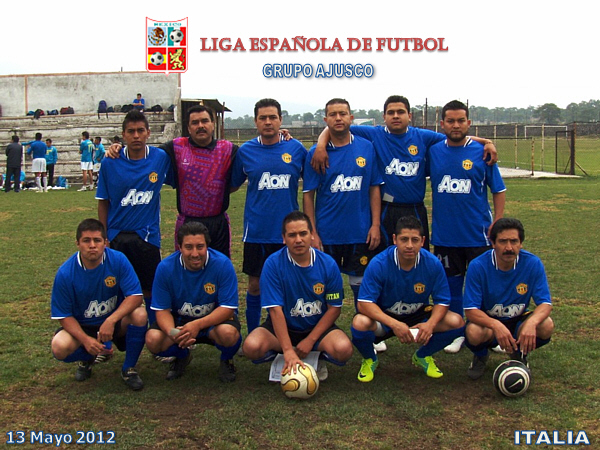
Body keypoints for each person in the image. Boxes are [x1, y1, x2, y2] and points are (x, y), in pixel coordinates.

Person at [310, 95, 498, 251]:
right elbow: (334, 126)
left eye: (400, 112)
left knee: (416, 257)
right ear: (384, 116)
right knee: (385, 260)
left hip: (414, 208)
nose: (396, 116)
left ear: (409, 115)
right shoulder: (374, 134)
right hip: (386, 209)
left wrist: (486, 142)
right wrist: (320, 146)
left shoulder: (423, 136)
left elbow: (455, 135)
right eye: (391, 112)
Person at [106, 105, 238, 257]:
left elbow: (236, 182)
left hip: (218, 223)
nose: (200, 126)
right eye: (195, 122)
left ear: (213, 124)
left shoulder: (228, 149)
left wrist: (215, 191)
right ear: (188, 128)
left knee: (220, 266)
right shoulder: (176, 147)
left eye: (204, 121)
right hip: (187, 222)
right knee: (186, 266)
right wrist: (119, 148)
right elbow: (145, 153)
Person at [428, 100, 506, 353]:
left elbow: (498, 189)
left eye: (461, 120)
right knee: (451, 287)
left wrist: (498, 222)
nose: (456, 125)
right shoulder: (434, 150)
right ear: (442, 124)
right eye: (450, 121)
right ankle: (458, 332)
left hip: (478, 235)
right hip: (445, 236)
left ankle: (489, 331)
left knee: (484, 286)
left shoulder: (482, 153)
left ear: (469, 123)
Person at [351, 216, 465, 381]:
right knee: (360, 322)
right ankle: (369, 359)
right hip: (386, 317)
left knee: (456, 321)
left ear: (422, 241)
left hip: (417, 316)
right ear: (395, 239)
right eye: (404, 239)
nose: (409, 245)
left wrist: (430, 325)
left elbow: (442, 301)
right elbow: (364, 303)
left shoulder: (432, 263)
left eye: (415, 240)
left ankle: (423, 356)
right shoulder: (379, 263)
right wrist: (395, 324)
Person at [242, 211, 353, 379]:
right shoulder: (273, 264)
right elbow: (275, 310)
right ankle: (286, 355)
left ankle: (315, 356)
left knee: (343, 349)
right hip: (283, 327)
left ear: (312, 235)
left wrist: (310, 340)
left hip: (315, 327)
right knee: (252, 347)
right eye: (292, 235)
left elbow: (334, 308)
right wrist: (287, 350)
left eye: (303, 233)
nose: (298, 240)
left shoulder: (328, 264)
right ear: (284, 238)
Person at [231, 98, 307, 334]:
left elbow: (313, 183)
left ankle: (289, 333)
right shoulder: (245, 151)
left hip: (290, 233)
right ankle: (255, 334)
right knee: (255, 285)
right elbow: (232, 185)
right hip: (257, 232)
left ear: (280, 120)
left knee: (290, 285)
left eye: (272, 117)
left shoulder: (296, 149)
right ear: (255, 121)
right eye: (262, 118)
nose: (268, 122)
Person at [96, 110, 174, 326]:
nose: (136, 135)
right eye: (131, 131)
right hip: (116, 236)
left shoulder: (160, 158)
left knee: (150, 288)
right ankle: (114, 334)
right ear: (123, 135)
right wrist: (103, 236)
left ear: (148, 132)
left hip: (146, 236)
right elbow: (103, 201)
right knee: (115, 289)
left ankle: (154, 332)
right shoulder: (110, 162)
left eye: (140, 130)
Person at [50, 219, 147, 390]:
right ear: (77, 243)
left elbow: (136, 296)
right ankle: (87, 358)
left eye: (97, 240)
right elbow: (63, 316)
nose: (92, 246)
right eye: (86, 241)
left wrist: (111, 320)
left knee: (140, 315)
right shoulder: (65, 273)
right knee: (59, 346)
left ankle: (129, 369)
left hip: (113, 322)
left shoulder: (118, 260)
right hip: (84, 327)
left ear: (105, 242)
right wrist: (86, 340)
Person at [303, 98, 383, 307]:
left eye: (342, 114)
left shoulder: (366, 147)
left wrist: (375, 225)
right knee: (323, 286)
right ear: (325, 120)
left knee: (362, 287)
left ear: (351, 117)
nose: (338, 118)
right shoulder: (316, 153)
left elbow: (374, 188)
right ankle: (326, 325)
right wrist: (312, 232)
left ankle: (362, 325)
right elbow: (308, 195)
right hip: (327, 234)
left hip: (360, 232)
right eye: (333, 114)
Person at [145, 221, 241, 382]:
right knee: (153, 340)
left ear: (207, 246)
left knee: (228, 334)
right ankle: (182, 355)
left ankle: (226, 360)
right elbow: (162, 310)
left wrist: (197, 325)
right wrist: (173, 333)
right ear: (180, 247)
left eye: (200, 247)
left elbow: (227, 308)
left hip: (212, 322)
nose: (195, 253)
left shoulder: (222, 264)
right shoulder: (165, 268)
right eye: (189, 247)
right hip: (180, 324)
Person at [463, 218, 554, 379]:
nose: (509, 248)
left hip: (517, 319)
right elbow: (471, 310)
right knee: (474, 332)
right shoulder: (478, 265)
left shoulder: (532, 263)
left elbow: (545, 304)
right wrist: (496, 325)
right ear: (493, 243)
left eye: (514, 241)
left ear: (521, 243)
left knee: (546, 325)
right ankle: (481, 355)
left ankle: (519, 353)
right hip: (488, 323)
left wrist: (531, 323)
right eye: (503, 241)